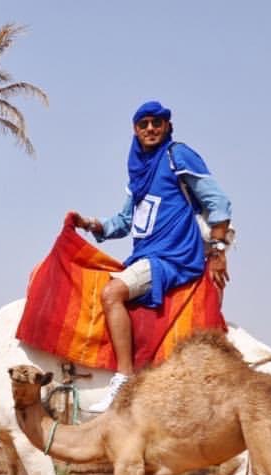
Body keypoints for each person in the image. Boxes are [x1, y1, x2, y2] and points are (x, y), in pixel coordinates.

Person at [75, 100, 232, 412]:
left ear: (167, 127)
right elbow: (124, 221)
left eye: (157, 123)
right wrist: (93, 225)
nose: (150, 129)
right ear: (135, 129)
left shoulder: (178, 156)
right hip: (144, 254)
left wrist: (217, 250)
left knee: (112, 293)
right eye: (144, 123)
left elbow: (218, 201)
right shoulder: (138, 172)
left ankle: (123, 379)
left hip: (171, 257)